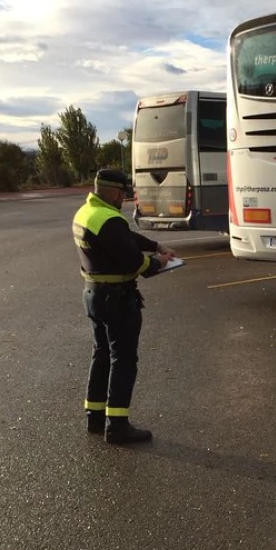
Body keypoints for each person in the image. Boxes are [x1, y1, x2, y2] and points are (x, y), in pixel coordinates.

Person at [72, 168, 177, 444]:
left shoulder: (87, 212)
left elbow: (125, 238)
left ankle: (94, 418)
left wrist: (155, 244)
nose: (124, 199)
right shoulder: (109, 220)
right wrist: (158, 262)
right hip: (116, 299)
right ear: (115, 193)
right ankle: (117, 426)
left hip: (93, 294)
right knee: (124, 359)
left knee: (102, 353)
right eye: (123, 194)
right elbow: (134, 261)